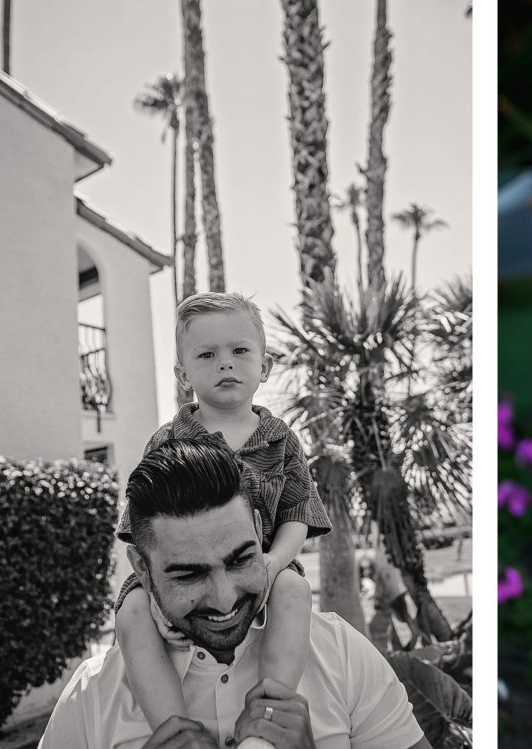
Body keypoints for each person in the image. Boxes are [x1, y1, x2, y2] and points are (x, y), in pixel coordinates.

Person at [39, 438, 429, 749]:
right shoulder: (92, 695)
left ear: (260, 528)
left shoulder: (341, 653)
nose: (224, 599)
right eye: (190, 575)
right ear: (141, 568)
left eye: (241, 559)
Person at [113, 292, 332, 738]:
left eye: (239, 351)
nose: (225, 364)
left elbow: (297, 510)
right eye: (207, 354)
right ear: (183, 374)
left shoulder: (280, 440)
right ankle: (177, 732)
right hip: (177, 572)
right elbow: (142, 529)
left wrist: (274, 561)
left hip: (259, 566)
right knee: (130, 613)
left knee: (294, 591)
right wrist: (157, 595)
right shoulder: (170, 439)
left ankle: (268, 717)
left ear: (265, 366)